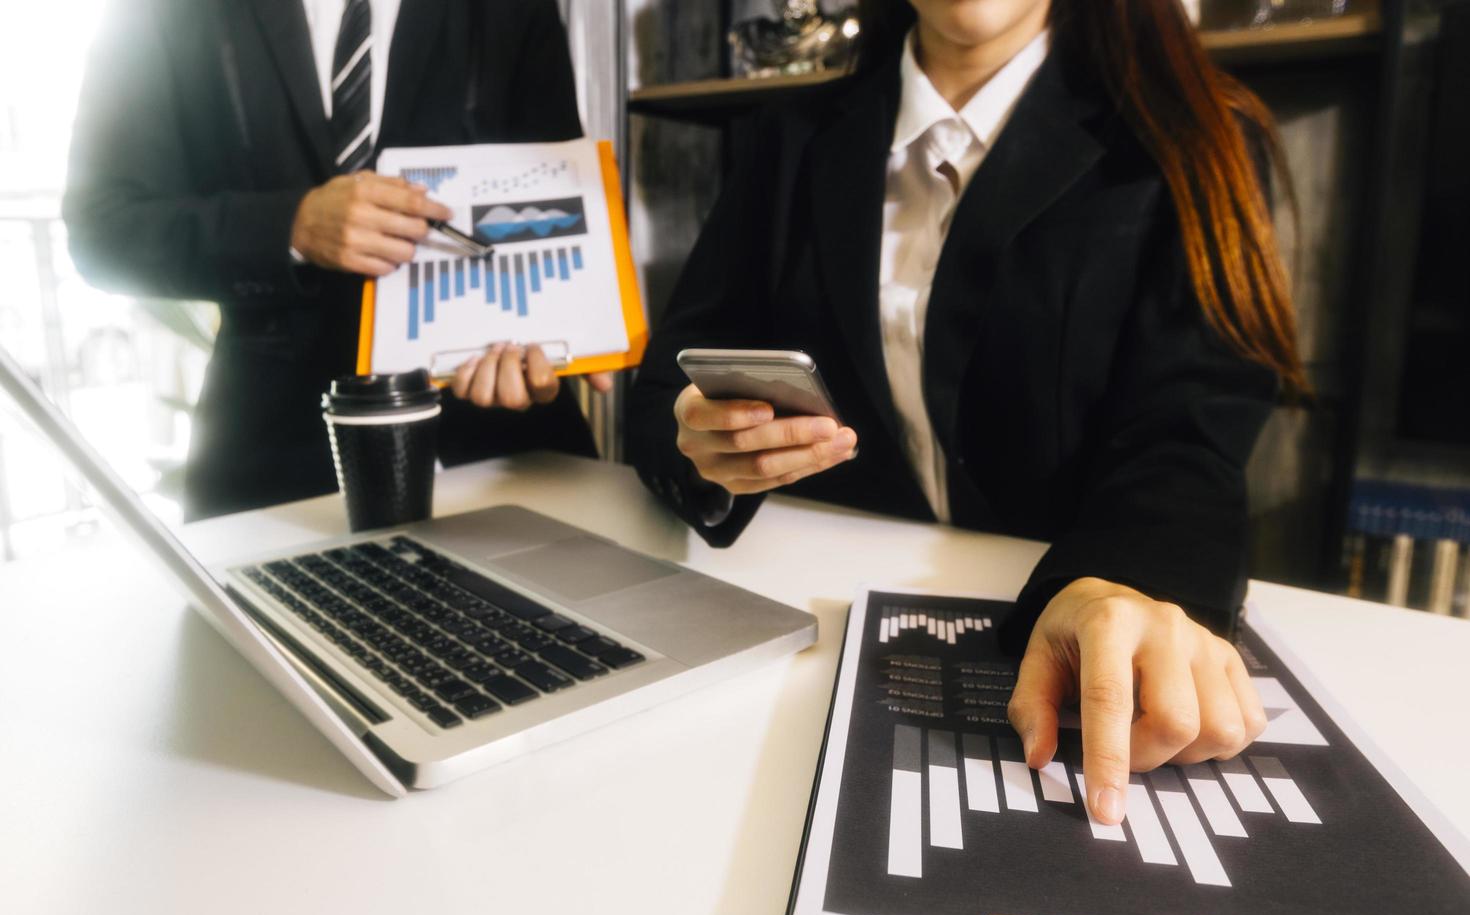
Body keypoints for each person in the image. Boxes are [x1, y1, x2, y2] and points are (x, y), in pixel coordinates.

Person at [627, 0, 1307, 825]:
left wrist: (1126, 581)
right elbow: (669, 384)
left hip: (1051, 657)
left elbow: (1191, 429)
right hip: (812, 651)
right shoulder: (792, 137)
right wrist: (703, 444)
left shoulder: (1185, 130)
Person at [64, 0, 609, 521]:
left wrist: (563, 328)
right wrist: (291, 227)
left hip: (505, 452)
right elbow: (102, 226)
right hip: (276, 463)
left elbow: (559, 190)